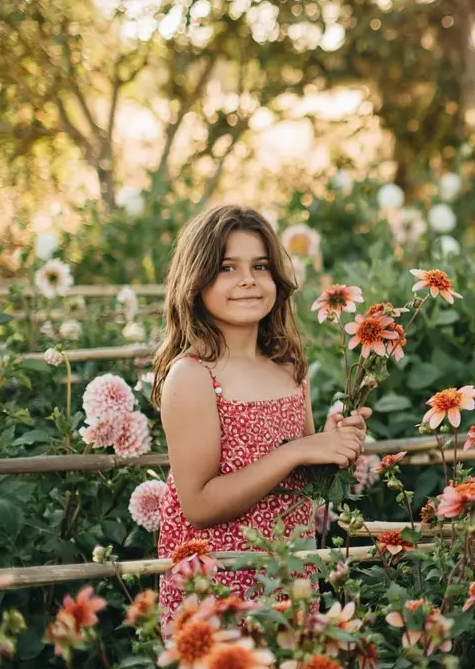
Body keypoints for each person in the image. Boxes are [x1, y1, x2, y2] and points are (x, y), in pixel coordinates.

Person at [150, 205, 369, 630]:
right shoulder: (194, 375)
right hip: (217, 583)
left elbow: (301, 482)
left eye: (261, 266)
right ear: (196, 282)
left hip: (289, 573)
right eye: (227, 267)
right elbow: (198, 504)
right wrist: (297, 452)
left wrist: (330, 445)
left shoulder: (288, 367)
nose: (248, 279)